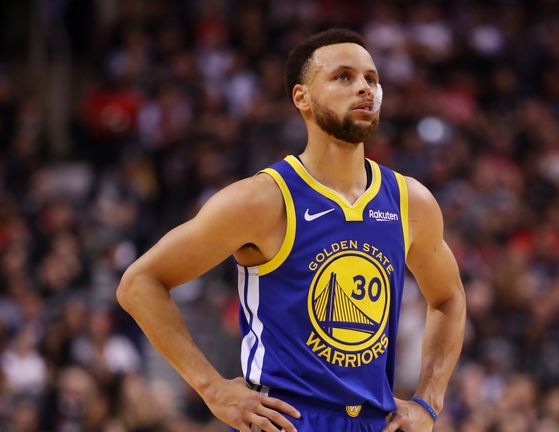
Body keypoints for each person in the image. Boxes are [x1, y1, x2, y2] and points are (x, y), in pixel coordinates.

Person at [117, 28, 466, 432]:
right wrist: (212, 388)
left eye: (372, 79)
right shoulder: (261, 200)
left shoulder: (410, 201)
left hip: (373, 423)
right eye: (343, 77)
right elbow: (139, 283)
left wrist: (428, 401)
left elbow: (449, 297)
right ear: (301, 98)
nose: (365, 89)